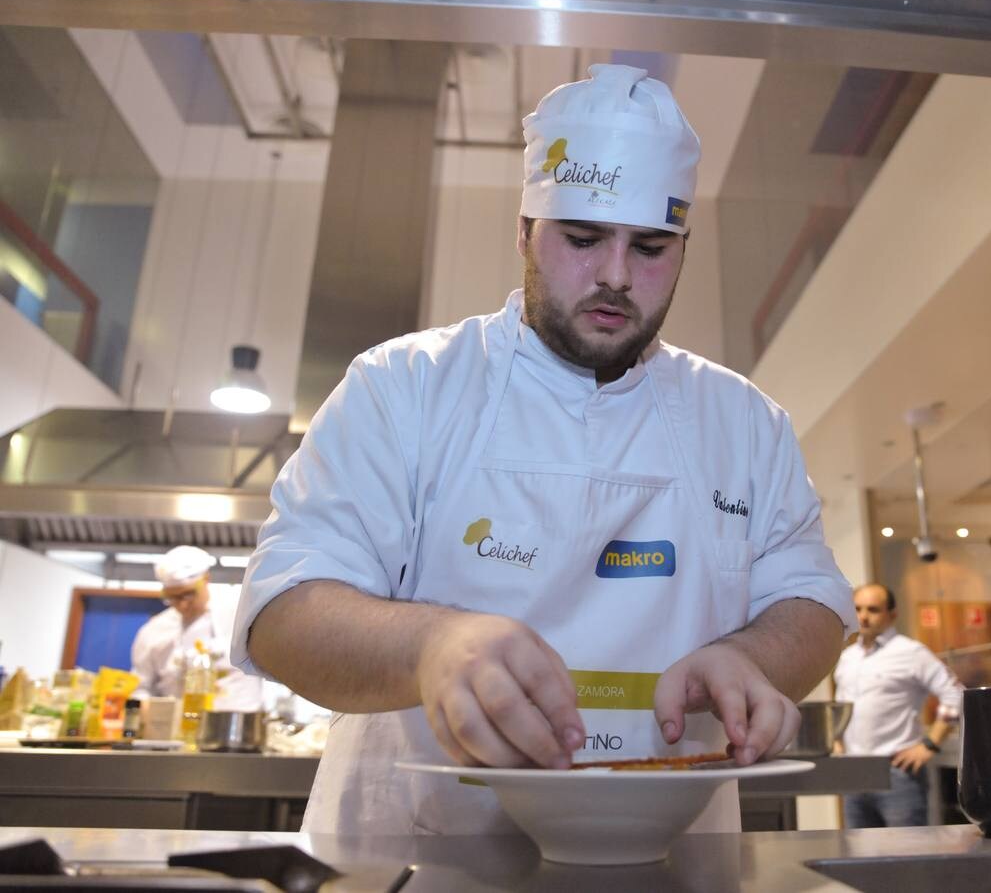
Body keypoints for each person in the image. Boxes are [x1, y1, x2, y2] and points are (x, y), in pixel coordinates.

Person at [232, 63, 857, 836]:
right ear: (525, 232)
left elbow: (814, 603)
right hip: (420, 850)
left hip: (668, 858)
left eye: (653, 247)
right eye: (584, 238)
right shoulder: (405, 386)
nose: (617, 276)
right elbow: (283, 613)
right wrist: (433, 645)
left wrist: (755, 657)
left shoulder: (745, 422)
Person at [833, 583, 963, 828]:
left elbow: (956, 695)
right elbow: (842, 706)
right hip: (853, 773)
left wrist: (930, 744)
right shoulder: (847, 657)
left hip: (897, 772)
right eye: (857, 609)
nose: (863, 616)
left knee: (906, 856)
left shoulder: (911, 652)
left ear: (892, 614)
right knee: (859, 858)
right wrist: (837, 741)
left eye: (873, 609)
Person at [132, 545, 263, 711]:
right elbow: (141, 686)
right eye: (172, 597)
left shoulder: (239, 614)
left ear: (206, 579)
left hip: (239, 722)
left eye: (188, 594)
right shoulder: (153, 631)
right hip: (177, 727)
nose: (182, 604)